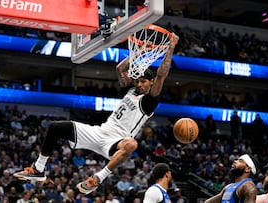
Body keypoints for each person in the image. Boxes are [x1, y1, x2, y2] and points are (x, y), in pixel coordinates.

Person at [14, 33, 180, 195]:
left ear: (151, 82)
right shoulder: (131, 90)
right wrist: (140, 52)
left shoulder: (149, 101)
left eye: (143, 81)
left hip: (116, 140)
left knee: (132, 144)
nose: (139, 83)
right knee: (55, 127)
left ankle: (97, 179)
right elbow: (120, 68)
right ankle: (38, 168)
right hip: (99, 131)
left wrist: (170, 48)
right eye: (138, 80)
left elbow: (161, 75)